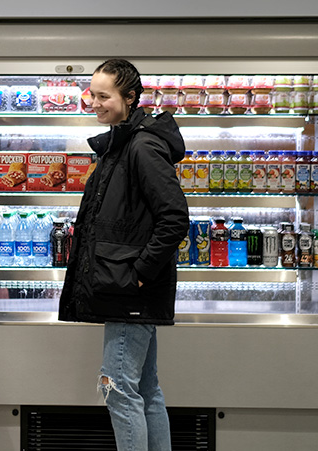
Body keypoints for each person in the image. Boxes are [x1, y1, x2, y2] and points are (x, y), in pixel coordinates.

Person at [58, 59, 189, 451]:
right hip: (125, 287)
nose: (94, 103)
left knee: (117, 388)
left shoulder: (142, 145)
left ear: (130, 98)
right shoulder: (123, 141)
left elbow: (174, 216)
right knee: (145, 389)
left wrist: (140, 272)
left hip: (129, 291)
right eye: (92, 94)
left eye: (104, 96)